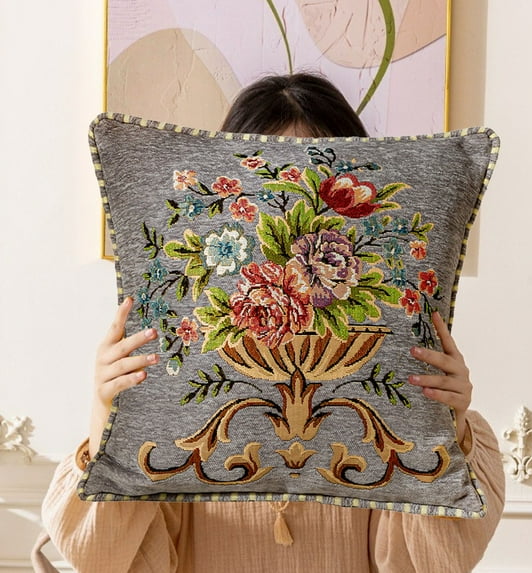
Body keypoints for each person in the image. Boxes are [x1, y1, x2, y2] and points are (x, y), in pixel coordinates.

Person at [35, 73, 505, 573]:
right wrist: (107, 412)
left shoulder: (393, 403)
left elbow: (431, 564)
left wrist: (446, 423)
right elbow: (102, 559)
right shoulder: (177, 402)